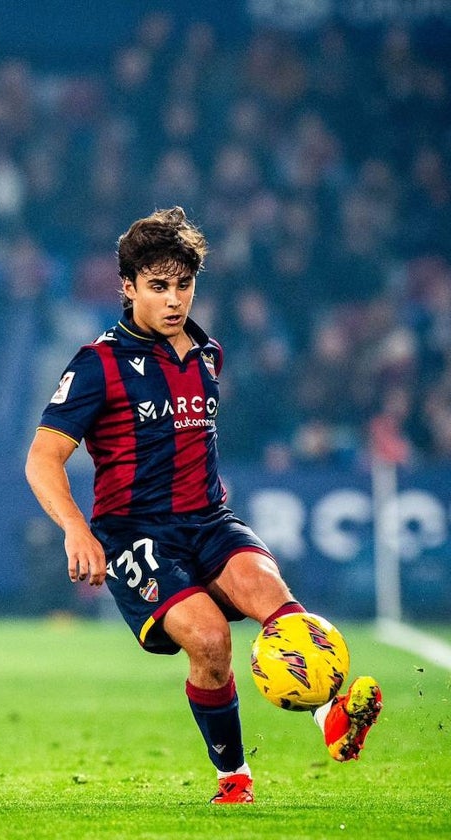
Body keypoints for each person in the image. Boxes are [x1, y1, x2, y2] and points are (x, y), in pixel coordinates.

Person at [24, 207, 382, 804]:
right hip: (136, 536)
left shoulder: (207, 354)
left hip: (210, 521)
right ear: (129, 286)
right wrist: (74, 530)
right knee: (211, 642)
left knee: (284, 612)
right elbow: (42, 457)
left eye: (183, 285)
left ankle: (331, 717)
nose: (173, 300)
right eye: (158, 286)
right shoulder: (97, 364)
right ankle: (234, 777)